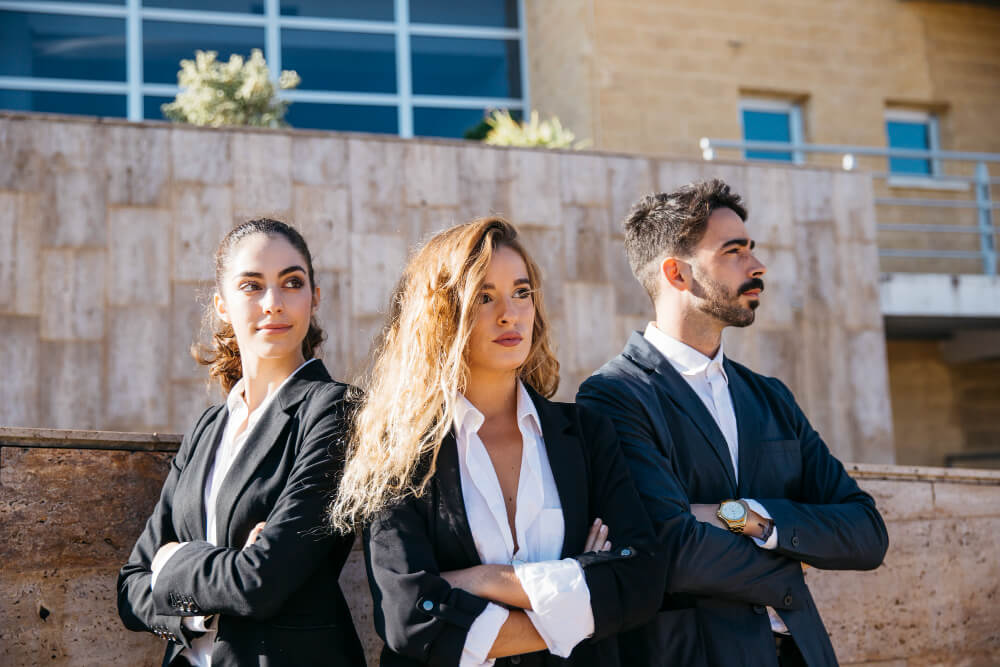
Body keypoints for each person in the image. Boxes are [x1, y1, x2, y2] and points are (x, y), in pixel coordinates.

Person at [577, 180, 890, 667]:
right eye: (734, 251)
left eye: (752, 249)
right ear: (676, 274)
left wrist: (746, 518)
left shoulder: (769, 396)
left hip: (804, 654)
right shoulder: (615, 395)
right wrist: (795, 559)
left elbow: (867, 532)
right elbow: (672, 550)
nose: (757, 265)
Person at [329, 217, 664, 666]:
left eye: (521, 292)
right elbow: (409, 617)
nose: (510, 313)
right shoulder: (398, 450)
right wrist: (577, 591)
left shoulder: (586, 435)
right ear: (441, 315)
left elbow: (639, 579)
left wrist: (484, 579)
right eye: (484, 297)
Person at [117, 219, 365, 666]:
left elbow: (262, 582)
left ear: (315, 297)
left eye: (292, 282)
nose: (274, 303)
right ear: (223, 306)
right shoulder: (208, 429)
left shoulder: (335, 411)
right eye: (252, 286)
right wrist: (198, 611)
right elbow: (130, 585)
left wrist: (173, 564)